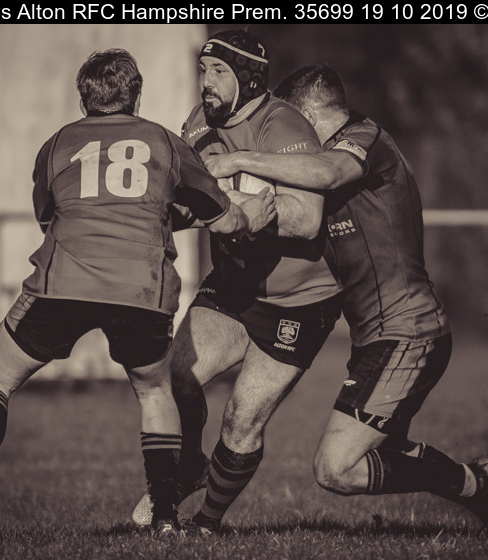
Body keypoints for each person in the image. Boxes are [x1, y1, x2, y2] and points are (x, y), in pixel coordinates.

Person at [0, 48, 276, 539]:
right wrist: (250, 217)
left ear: (83, 99)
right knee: (154, 391)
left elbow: (48, 216)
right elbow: (222, 218)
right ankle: (165, 518)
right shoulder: (164, 141)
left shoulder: (55, 145)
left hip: (63, 283)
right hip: (139, 287)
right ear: (136, 95)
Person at [204, 63, 488, 536]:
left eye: (292, 124)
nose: (289, 137)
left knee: (336, 468)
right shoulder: (320, 162)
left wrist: (238, 160)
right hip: (377, 339)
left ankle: (478, 484)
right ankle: (484, 485)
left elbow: (327, 172)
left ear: (310, 116)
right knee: (382, 451)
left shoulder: (365, 139)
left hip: (410, 333)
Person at [131, 31, 343, 533]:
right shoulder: (197, 124)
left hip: (297, 299)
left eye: (219, 72)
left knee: (241, 420)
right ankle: (189, 467)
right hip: (232, 286)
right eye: (203, 70)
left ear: (248, 79)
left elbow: (307, 218)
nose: (206, 82)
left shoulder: (283, 124)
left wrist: (235, 209)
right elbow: (190, 205)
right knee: (175, 379)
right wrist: (149, 216)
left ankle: (208, 524)